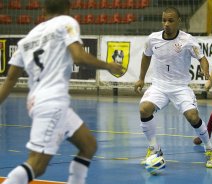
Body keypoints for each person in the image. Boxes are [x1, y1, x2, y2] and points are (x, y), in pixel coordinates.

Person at [0, 0, 123, 184]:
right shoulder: (66, 22)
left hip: (39, 101)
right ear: (68, 7)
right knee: (37, 165)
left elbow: (10, 79)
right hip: (52, 101)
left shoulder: (29, 37)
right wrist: (108, 65)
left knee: (88, 145)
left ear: (42, 9)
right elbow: (79, 57)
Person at [134, 7, 212, 168]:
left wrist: (205, 69)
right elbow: (146, 56)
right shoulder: (153, 39)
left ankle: (210, 149)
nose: (166, 24)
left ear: (179, 21)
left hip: (180, 87)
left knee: (193, 117)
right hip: (159, 85)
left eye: (171, 21)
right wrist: (141, 79)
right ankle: (154, 149)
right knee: (144, 109)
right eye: (164, 20)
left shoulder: (188, 40)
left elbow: (202, 58)